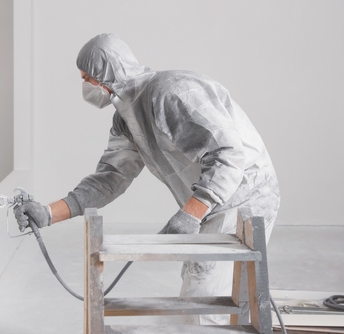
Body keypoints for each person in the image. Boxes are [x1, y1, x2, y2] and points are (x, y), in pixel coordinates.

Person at [14, 33, 280, 325]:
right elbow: (110, 178)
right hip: (214, 205)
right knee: (208, 285)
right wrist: (49, 213)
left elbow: (229, 154)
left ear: (107, 74)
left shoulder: (171, 92)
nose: (85, 87)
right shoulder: (126, 119)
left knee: (205, 288)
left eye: (87, 78)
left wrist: (192, 213)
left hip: (245, 196)